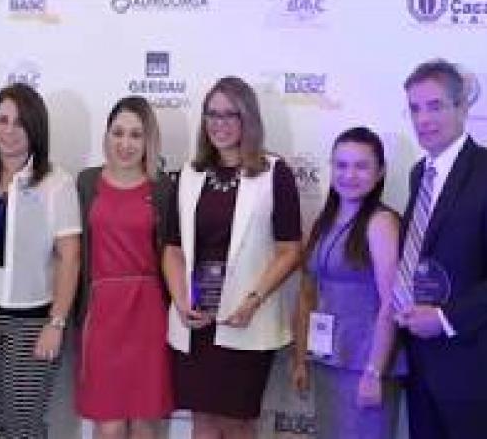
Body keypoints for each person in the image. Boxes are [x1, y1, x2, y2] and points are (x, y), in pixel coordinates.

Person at [163, 76, 302, 439]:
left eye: (229, 114)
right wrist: (180, 301)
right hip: (197, 320)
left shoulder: (274, 173)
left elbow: (290, 250)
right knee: (203, 418)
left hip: (246, 317)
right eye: (212, 114)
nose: (219, 123)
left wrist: (253, 301)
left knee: (238, 422)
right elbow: (173, 249)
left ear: (248, 118)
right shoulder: (190, 174)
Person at [0, 83, 81, 439]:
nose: (8, 130)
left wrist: (56, 323)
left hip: (33, 321)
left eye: (19, 122)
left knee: (25, 424)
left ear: (35, 128)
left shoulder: (56, 183)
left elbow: (70, 257)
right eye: (2, 120)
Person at [292, 127, 406, 439]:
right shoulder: (324, 221)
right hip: (327, 359)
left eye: (361, 166)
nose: (349, 175)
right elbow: (307, 293)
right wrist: (301, 358)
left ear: (380, 172)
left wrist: (375, 371)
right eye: (341, 165)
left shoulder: (382, 223)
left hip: (366, 365)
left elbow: (391, 303)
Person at [394, 58, 487, 439]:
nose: (423, 120)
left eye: (435, 106)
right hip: (419, 364)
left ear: (462, 107)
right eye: (415, 108)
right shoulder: (419, 173)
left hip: (472, 368)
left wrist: (447, 319)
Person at [75, 96, 173, 439]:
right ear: (106, 135)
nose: (125, 144)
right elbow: (71, 252)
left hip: (148, 314)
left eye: (135, 135)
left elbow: (172, 254)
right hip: (101, 313)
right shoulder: (87, 183)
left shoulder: (163, 188)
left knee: (145, 422)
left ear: (148, 141)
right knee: (109, 425)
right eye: (118, 133)